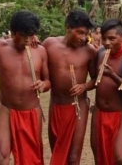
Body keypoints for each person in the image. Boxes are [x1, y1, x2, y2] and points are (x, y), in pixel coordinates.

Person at [0, 11, 51, 164]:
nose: (27, 40)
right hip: (6, 109)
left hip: (32, 111)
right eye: (24, 35)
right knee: (1, 156)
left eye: (31, 35)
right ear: (13, 32)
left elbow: (48, 81)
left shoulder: (40, 51)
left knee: (31, 158)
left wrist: (43, 84)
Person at [42, 10, 97, 165]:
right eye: (79, 32)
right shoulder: (49, 44)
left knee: (73, 158)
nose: (83, 38)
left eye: (86, 34)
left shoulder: (89, 51)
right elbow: (36, 59)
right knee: (57, 152)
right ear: (68, 28)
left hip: (78, 107)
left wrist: (84, 86)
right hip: (56, 105)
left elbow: (96, 80)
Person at [90, 19, 122, 165]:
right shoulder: (99, 52)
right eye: (104, 38)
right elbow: (95, 80)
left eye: (112, 38)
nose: (107, 43)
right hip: (99, 113)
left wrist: (113, 75)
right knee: (99, 156)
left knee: (120, 158)